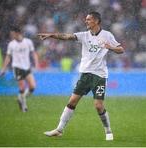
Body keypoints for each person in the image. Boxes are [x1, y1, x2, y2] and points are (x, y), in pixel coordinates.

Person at [38, 11, 124, 140]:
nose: (86, 21)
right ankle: (59, 129)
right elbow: (67, 36)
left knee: (98, 106)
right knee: (72, 101)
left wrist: (110, 47)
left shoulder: (107, 35)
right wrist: (52, 35)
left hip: (99, 75)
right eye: (86, 19)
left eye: (88, 19)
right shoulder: (84, 35)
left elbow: (121, 49)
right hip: (85, 74)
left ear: (96, 21)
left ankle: (108, 131)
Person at [0, 25, 39, 112]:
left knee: (32, 87)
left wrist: (36, 63)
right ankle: (24, 107)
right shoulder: (11, 44)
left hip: (27, 67)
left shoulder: (28, 42)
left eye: (13, 34)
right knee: (22, 88)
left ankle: (20, 98)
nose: (12, 36)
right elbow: (8, 57)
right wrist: (3, 69)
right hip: (17, 68)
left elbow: (33, 53)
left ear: (18, 33)